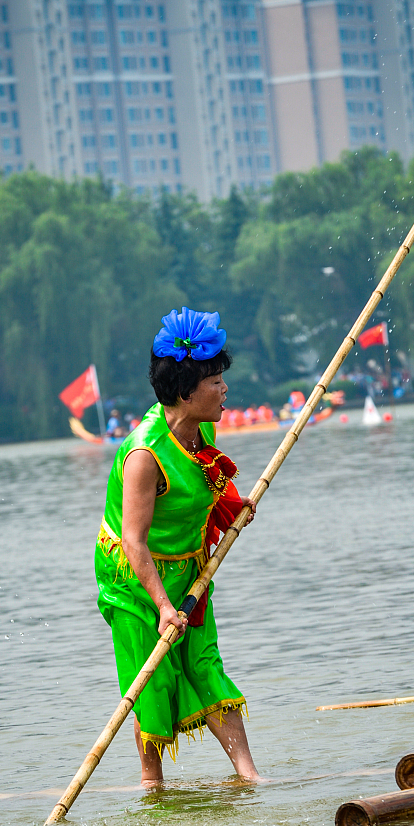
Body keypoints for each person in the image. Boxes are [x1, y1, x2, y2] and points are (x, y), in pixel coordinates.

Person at [95, 306, 262, 787]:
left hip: (190, 565)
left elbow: (204, 486)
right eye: (214, 382)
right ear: (186, 393)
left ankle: (249, 776)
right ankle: (152, 787)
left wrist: (234, 506)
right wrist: (164, 606)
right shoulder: (146, 456)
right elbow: (134, 541)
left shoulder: (203, 428)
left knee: (204, 663)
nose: (225, 389)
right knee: (154, 680)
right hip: (133, 578)